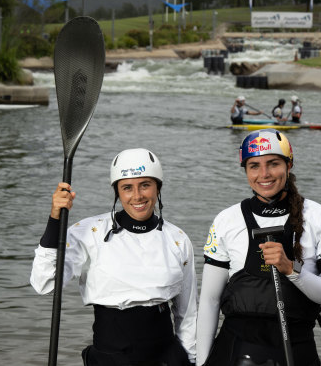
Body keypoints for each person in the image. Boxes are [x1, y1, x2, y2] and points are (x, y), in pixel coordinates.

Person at [30, 148, 197, 366]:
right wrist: (54, 220)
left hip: (166, 358)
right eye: (127, 187)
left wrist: (193, 360)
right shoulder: (89, 232)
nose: (137, 196)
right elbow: (45, 284)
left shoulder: (178, 239)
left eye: (145, 185)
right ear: (117, 192)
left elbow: (188, 313)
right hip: (109, 356)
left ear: (158, 187)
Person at [196, 129, 321, 366]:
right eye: (254, 166)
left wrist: (291, 271)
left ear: (289, 164)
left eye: (273, 163)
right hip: (234, 350)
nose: (264, 174)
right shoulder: (226, 220)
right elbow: (209, 301)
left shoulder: (320, 218)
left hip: (296, 348)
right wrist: (202, 363)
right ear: (245, 170)